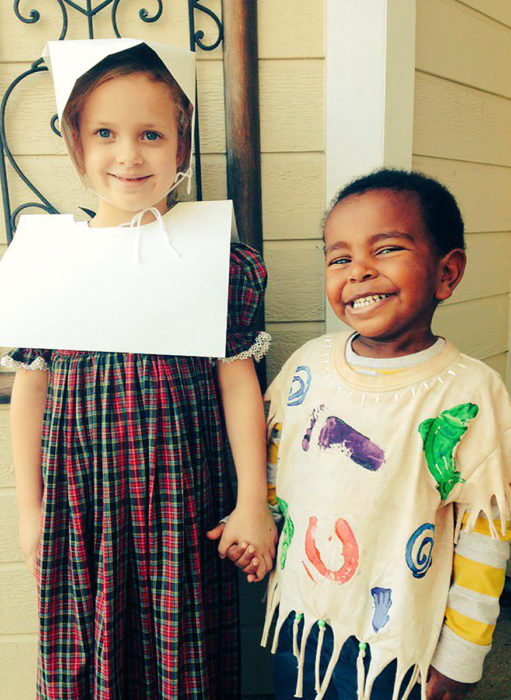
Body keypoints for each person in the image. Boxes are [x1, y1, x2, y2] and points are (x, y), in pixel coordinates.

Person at [2, 39, 276, 699]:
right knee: (90, 657)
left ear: (180, 148)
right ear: (77, 145)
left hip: (180, 503)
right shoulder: (46, 264)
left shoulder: (215, 261)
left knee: (182, 659)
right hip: (84, 507)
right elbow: (31, 388)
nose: (128, 154)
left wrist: (251, 502)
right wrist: (31, 507)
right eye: (105, 133)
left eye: (150, 134)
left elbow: (239, 382)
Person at [255, 169, 511, 699]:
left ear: (447, 274)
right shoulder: (309, 366)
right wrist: (259, 528)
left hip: (396, 647)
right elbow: (275, 465)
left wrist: (462, 658)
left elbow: (484, 538)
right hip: (299, 619)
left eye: (387, 249)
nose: (358, 272)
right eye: (339, 258)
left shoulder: (468, 395)